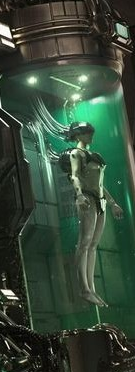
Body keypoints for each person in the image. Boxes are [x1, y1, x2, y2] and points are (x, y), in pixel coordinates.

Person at [67, 121, 123, 307]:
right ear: (77, 135)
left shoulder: (95, 156)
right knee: (84, 243)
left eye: (90, 132)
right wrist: (79, 195)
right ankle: (84, 289)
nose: (90, 135)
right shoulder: (77, 154)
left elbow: (99, 185)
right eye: (86, 132)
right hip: (87, 200)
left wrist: (113, 203)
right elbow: (75, 176)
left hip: (100, 201)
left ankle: (91, 288)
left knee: (93, 245)